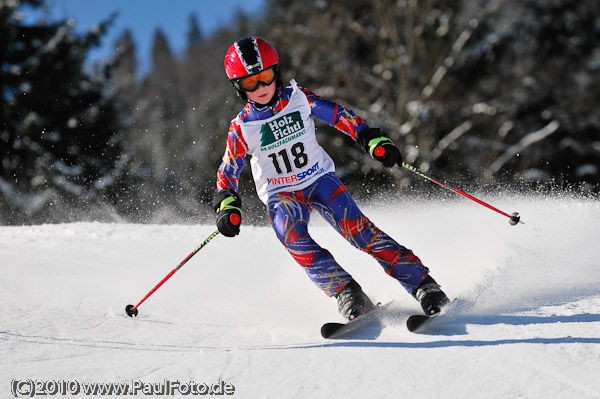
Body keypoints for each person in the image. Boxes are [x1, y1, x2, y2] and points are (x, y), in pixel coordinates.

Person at [213, 36, 449, 321]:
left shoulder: (298, 98)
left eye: (265, 77)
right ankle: (347, 292)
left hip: (318, 178)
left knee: (359, 232)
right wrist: (227, 204)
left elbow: (340, 116)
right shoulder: (242, 127)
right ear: (239, 87)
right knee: (289, 233)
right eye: (251, 82)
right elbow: (229, 170)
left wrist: (371, 139)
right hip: (281, 192)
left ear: (277, 72)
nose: (262, 87)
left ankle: (423, 285)